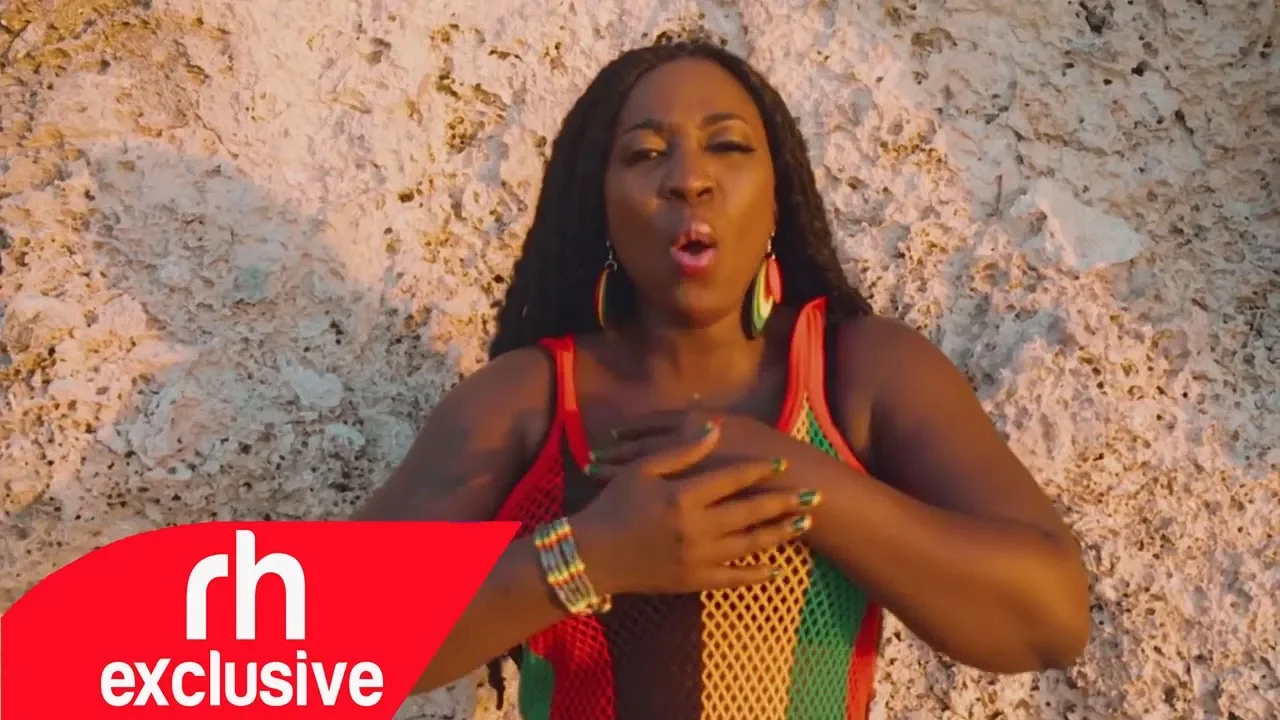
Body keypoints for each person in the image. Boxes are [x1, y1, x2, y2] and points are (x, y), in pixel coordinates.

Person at [355, 39, 1090, 719]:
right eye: (645, 154)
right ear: (598, 204)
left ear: (777, 195)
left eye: (728, 146)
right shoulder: (526, 401)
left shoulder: (864, 376)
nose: (688, 180)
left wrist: (798, 482)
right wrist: (592, 555)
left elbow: (1052, 622)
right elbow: (321, 643)